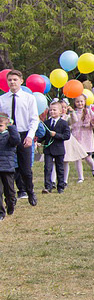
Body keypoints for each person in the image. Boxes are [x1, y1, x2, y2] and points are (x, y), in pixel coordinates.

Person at [0, 70, 39, 206]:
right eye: (10, 80)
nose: (12, 82)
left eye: (15, 79)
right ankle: (11, 196)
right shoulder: (2, 99)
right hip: (8, 136)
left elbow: (34, 119)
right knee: (8, 168)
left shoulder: (29, 98)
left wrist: (30, 136)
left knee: (25, 168)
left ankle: (30, 192)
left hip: (23, 134)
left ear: (21, 81)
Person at [40, 100, 72, 194]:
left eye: (54, 110)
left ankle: (60, 186)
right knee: (47, 168)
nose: (52, 112)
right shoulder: (46, 123)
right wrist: (39, 141)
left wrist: (56, 135)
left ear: (60, 111)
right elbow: (43, 135)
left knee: (60, 168)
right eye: (50, 110)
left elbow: (67, 136)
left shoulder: (63, 123)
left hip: (59, 149)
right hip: (48, 149)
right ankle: (48, 186)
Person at [66, 96, 94, 183]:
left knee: (87, 157)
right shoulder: (73, 113)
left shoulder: (89, 112)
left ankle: (93, 168)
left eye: (81, 101)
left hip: (86, 137)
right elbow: (71, 123)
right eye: (77, 102)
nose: (80, 104)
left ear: (85, 102)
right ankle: (80, 177)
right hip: (76, 136)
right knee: (78, 158)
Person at [0, 114, 20, 220]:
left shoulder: (9, 136)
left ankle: (11, 204)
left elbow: (16, 140)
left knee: (10, 190)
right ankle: (1, 213)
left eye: (1, 126)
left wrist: (12, 127)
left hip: (7, 167)